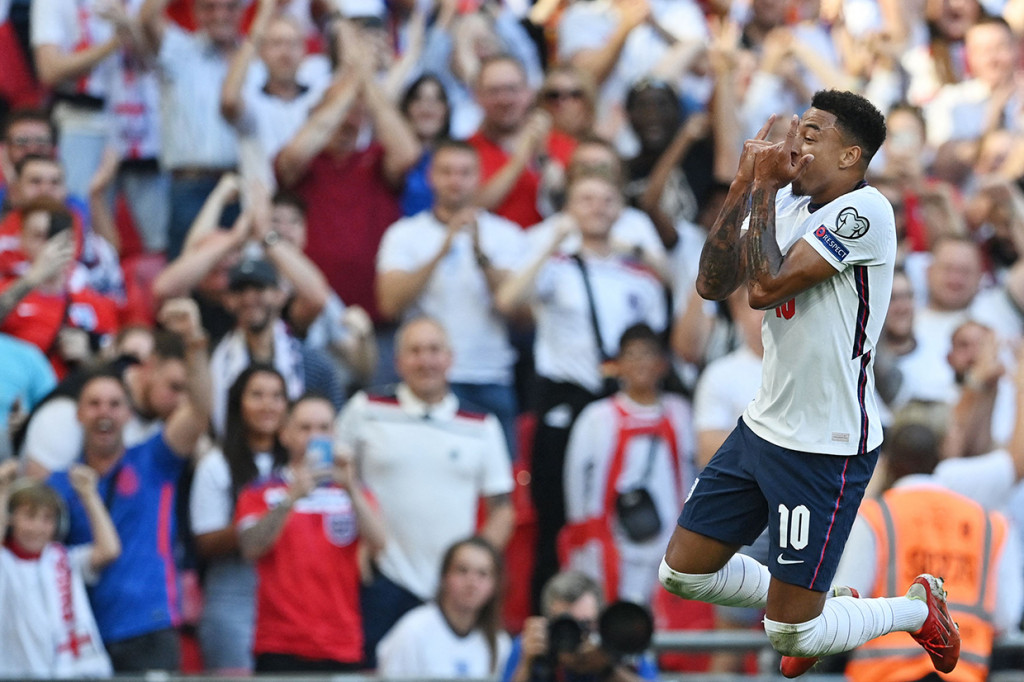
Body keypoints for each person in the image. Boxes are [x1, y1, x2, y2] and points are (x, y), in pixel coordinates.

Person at [658, 90, 960, 680]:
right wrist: (745, 185)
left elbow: (765, 289)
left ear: (851, 156)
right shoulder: (789, 203)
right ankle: (825, 600)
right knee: (683, 573)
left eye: (814, 133)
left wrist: (763, 189)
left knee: (789, 633)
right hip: (762, 425)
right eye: (799, 128)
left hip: (826, 443)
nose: (797, 141)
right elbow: (711, 284)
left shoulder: (865, 210)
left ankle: (915, 608)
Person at [496, 168, 667, 608]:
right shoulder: (556, 266)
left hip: (617, 400)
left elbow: (659, 330)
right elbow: (508, 301)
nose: (596, 208)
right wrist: (552, 241)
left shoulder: (636, 273)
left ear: (621, 210)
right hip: (564, 397)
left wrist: (647, 256)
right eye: (585, 199)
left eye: (607, 199)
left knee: (616, 513)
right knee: (555, 515)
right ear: (569, 208)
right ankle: (548, 619)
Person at [334, 316, 515, 663]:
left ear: (450, 358)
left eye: (434, 350)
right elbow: (332, 478)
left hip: (452, 591)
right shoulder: (365, 409)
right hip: (381, 580)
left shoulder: (482, 425)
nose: (425, 360)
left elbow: (503, 509)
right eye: (414, 351)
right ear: (398, 361)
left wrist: (471, 570)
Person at [45, 297, 210, 672]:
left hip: (149, 626)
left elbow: (199, 411)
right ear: (79, 413)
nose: (105, 412)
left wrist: (195, 342)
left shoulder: (154, 458)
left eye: (114, 404)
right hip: (84, 632)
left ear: (128, 413)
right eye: (95, 404)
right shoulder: (59, 484)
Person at [838, 422, 1023, 682]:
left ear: (889, 463)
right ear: (940, 458)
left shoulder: (875, 516)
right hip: (964, 673)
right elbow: (1006, 618)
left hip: (883, 673)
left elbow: (846, 605)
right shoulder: (991, 523)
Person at [376, 139, 526, 453]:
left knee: (500, 486)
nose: (455, 181)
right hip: (425, 377)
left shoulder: (506, 235)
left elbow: (523, 313)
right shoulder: (404, 234)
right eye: (446, 172)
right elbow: (389, 304)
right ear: (431, 177)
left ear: (479, 177)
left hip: (490, 376)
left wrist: (481, 257)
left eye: (465, 172)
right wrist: (441, 249)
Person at [235, 393, 385, 672]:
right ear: (285, 435)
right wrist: (291, 498)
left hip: (341, 643)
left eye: (324, 428)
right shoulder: (260, 492)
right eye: (304, 428)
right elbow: (250, 547)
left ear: (336, 434)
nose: (314, 437)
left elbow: (379, 544)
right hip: (279, 644)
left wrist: (351, 489)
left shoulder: (355, 491)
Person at [561, 323, 694, 603]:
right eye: (631, 356)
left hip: (671, 542)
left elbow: (698, 472)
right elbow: (573, 480)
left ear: (662, 364)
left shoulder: (681, 413)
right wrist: (582, 538)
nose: (640, 364)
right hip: (611, 546)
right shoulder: (596, 417)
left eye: (647, 355)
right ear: (618, 365)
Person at [189, 364, 289, 672]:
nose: (268, 405)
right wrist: (257, 527)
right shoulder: (216, 464)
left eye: (276, 396)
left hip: (291, 600)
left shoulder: (298, 465)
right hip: (234, 598)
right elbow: (205, 540)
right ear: (237, 404)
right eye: (256, 395)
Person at [0, 461, 119, 678]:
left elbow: (109, 549)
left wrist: (89, 495)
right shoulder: (5, 561)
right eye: (29, 516)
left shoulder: (62, 557)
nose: (38, 528)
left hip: (76, 673)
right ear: (10, 518)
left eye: (47, 519)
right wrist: (2, 491)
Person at [209, 255, 344, 435]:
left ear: (280, 295)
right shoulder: (211, 361)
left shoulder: (314, 366)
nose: (249, 298)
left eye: (259, 288)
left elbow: (334, 428)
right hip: (230, 456)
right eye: (240, 290)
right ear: (228, 300)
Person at [378, 536, 511, 679]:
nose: (472, 582)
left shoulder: (500, 643)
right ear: (444, 576)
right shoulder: (413, 631)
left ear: (495, 585)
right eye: (462, 570)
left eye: (482, 574)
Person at [502, 570, 657, 682]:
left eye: (586, 624)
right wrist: (526, 665)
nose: (578, 633)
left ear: (601, 621)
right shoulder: (532, 646)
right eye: (565, 624)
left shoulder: (617, 643)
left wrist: (608, 669)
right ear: (547, 624)